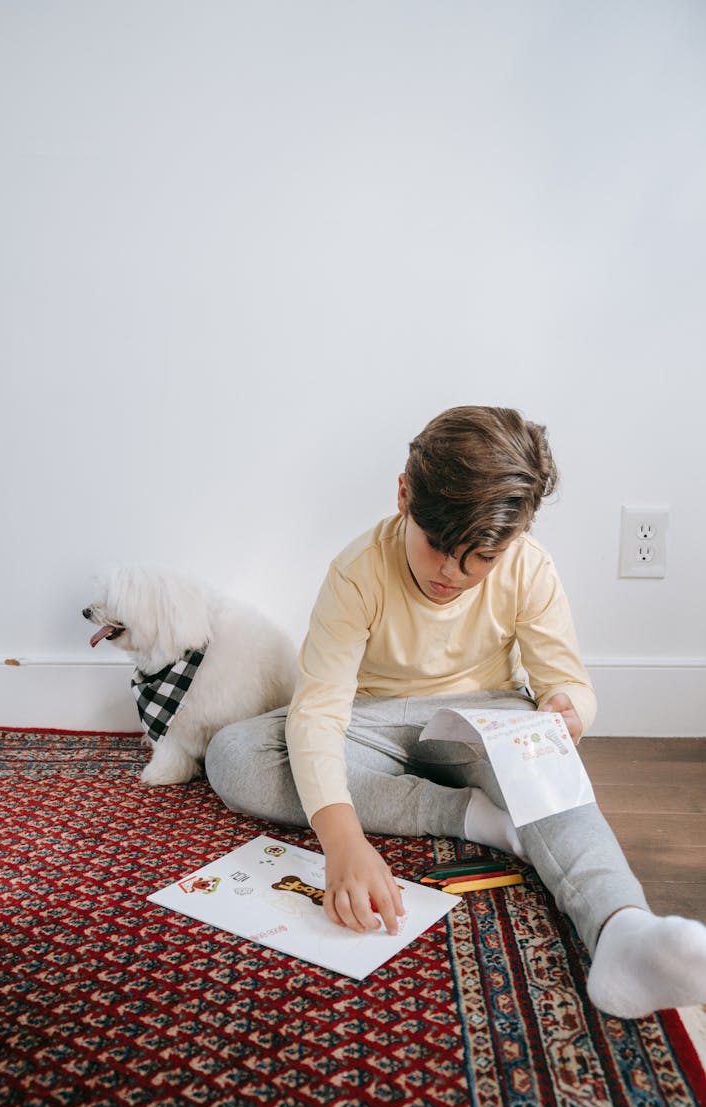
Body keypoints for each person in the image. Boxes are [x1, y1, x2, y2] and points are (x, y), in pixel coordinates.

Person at [208, 406, 706, 1019]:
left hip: (484, 718)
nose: (452, 573)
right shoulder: (358, 571)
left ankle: (622, 931)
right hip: (371, 719)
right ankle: (480, 820)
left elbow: (568, 682)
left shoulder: (529, 568)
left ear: (512, 542)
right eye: (438, 545)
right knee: (235, 754)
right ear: (403, 496)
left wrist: (566, 713)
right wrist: (341, 840)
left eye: (481, 559)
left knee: (550, 782)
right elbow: (318, 711)